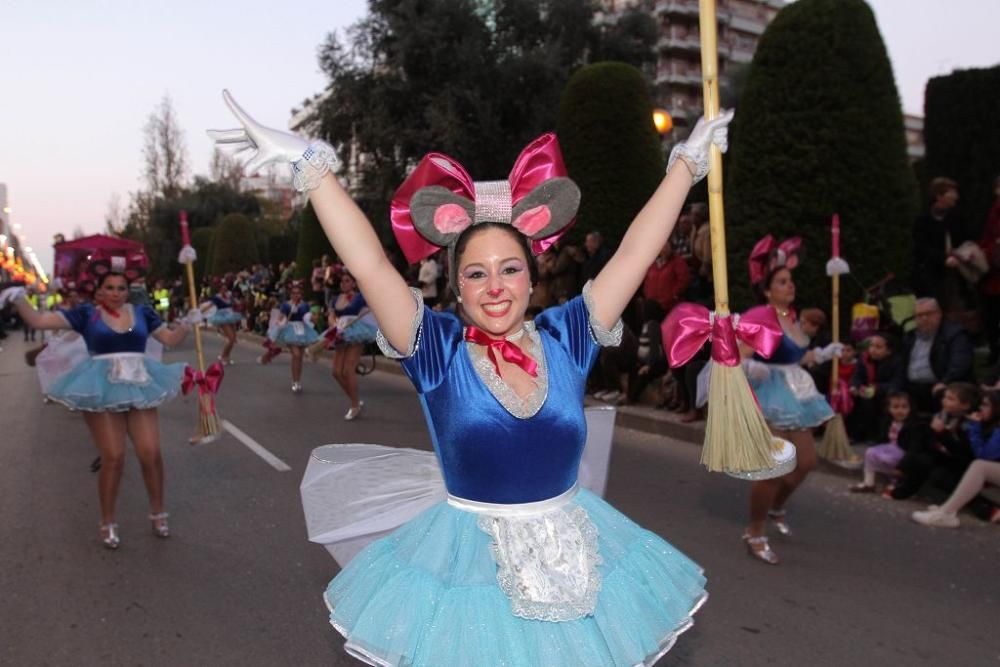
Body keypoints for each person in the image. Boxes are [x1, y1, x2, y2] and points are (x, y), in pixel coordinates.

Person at [210, 89, 731, 665]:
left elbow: (634, 253)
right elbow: (370, 264)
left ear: (532, 280)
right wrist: (310, 164)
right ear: (457, 289)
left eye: (510, 270)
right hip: (470, 579)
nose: (495, 287)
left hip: (576, 563)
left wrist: (686, 164)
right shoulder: (435, 350)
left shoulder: (569, 336)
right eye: (476, 274)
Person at [0, 254, 195, 549]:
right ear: (99, 290)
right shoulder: (85, 315)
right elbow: (39, 320)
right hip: (101, 386)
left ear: (127, 291)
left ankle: (158, 512)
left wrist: (188, 323)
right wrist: (18, 299)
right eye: (110, 287)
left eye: (121, 288)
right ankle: (108, 520)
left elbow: (168, 340)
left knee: (151, 452)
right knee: (114, 457)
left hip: (140, 382)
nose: (116, 293)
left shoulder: (142, 313)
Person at [741, 235, 840, 565]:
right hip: (769, 395)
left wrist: (824, 354)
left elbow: (795, 357)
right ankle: (755, 531)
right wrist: (752, 366)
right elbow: (735, 357)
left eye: (790, 280)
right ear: (768, 290)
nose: (790, 286)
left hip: (796, 392)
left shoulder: (790, 316)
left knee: (807, 461)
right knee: (772, 468)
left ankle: (776, 507)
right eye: (782, 282)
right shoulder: (759, 315)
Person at [888, 382, 979, 500]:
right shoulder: (942, 415)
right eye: (945, 397)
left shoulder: (969, 425)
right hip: (940, 453)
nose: (944, 401)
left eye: (951, 399)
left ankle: (969, 502)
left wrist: (943, 433)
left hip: (957, 462)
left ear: (965, 405)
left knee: (938, 476)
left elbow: (963, 453)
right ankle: (907, 489)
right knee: (922, 459)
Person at [893, 297, 974, 415]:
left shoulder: (955, 334)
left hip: (941, 388)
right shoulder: (909, 337)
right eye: (919, 315)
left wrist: (945, 382)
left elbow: (960, 365)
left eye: (929, 314)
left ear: (939, 314)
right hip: (912, 388)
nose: (924, 318)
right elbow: (901, 365)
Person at [329, 271, 377, 420]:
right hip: (340, 331)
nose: (344, 283)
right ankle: (356, 400)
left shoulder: (360, 297)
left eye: (347, 281)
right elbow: (331, 316)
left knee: (348, 370)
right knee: (336, 372)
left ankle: (355, 406)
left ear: (354, 283)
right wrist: (335, 326)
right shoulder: (336, 298)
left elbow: (372, 309)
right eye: (342, 281)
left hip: (356, 331)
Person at [849, 391, 915, 493]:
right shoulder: (887, 422)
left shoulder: (913, 425)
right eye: (896, 407)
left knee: (887, 459)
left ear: (910, 408)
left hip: (903, 451)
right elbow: (882, 439)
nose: (900, 411)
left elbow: (913, 447)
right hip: (889, 447)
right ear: (889, 409)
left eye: (904, 407)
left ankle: (895, 482)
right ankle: (868, 483)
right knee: (870, 452)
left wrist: (903, 465)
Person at [263, 279, 319, 393]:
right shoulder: (285, 305)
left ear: (301, 294)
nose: (296, 295)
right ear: (290, 294)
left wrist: (312, 318)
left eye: (298, 293)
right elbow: (280, 318)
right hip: (290, 330)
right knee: (296, 354)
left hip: (303, 330)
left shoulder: (305, 305)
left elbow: (311, 318)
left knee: (300, 357)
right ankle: (294, 381)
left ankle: (298, 381)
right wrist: (281, 322)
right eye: (293, 293)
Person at [848, 332, 903, 442]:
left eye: (878, 347)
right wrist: (855, 386)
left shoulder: (897, 362)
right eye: (871, 346)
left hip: (885, 394)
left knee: (873, 403)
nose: (872, 350)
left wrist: (877, 388)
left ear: (888, 351)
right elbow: (856, 376)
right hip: (866, 392)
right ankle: (856, 435)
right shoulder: (864, 359)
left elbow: (897, 383)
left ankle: (874, 436)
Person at [977, 176, 1000, 365]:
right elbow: (988, 236)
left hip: (994, 276)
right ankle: (994, 353)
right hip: (991, 276)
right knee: (991, 318)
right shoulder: (995, 210)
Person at [642, 240, 690, 315]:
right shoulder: (653, 264)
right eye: (662, 247)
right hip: (652, 306)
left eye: (666, 247)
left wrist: (673, 295)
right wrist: (648, 296)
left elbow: (683, 280)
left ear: (671, 248)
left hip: (669, 307)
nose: (664, 249)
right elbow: (647, 282)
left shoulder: (678, 262)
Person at [203, 279, 242, 365]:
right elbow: (209, 305)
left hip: (231, 316)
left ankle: (227, 357)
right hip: (222, 318)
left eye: (225, 288)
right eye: (223, 288)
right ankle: (222, 357)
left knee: (233, 339)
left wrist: (237, 303)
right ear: (220, 289)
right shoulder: (217, 297)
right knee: (231, 339)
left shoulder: (229, 296)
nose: (224, 289)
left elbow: (236, 303)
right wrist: (200, 312)